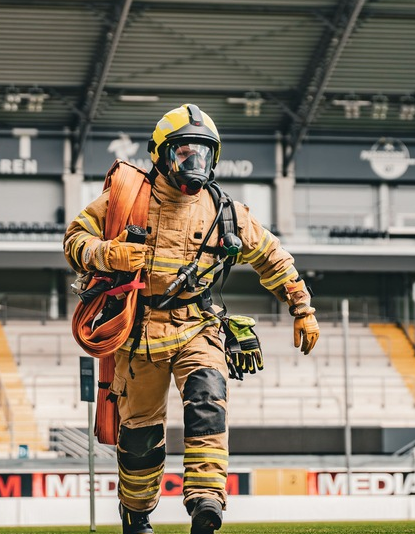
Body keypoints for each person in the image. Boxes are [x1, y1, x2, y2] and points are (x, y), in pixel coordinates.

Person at [64, 103, 320, 534]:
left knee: (208, 404)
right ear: (161, 155)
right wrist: (106, 253)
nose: (194, 162)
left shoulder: (227, 212)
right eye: (184, 152)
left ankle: (205, 500)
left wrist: (302, 308)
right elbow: (75, 239)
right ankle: (138, 512)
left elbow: (273, 258)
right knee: (141, 440)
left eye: (202, 152)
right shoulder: (124, 200)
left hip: (196, 327)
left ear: (214, 157)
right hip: (137, 333)